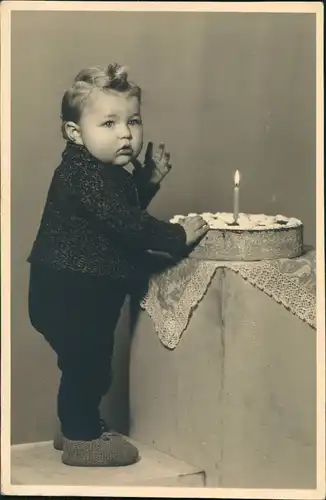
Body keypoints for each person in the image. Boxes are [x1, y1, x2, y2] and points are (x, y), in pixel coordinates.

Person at [27, 63, 209, 467]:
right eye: (108, 123)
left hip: (74, 286)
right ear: (75, 133)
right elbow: (125, 222)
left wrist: (149, 178)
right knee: (88, 365)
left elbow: (116, 215)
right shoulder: (82, 174)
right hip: (70, 291)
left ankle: (76, 424)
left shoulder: (98, 171)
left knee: (82, 364)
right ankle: (81, 438)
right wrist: (177, 237)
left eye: (133, 120)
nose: (125, 133)